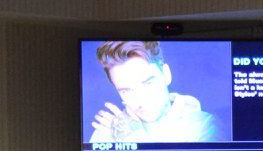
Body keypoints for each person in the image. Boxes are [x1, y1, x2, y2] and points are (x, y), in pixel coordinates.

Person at [88, 41, 222, 143]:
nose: (140, 100)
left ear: (166, 74)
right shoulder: (106, 132)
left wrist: (131, 139)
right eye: (126, 91)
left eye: (148, 83)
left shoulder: (205, 125)